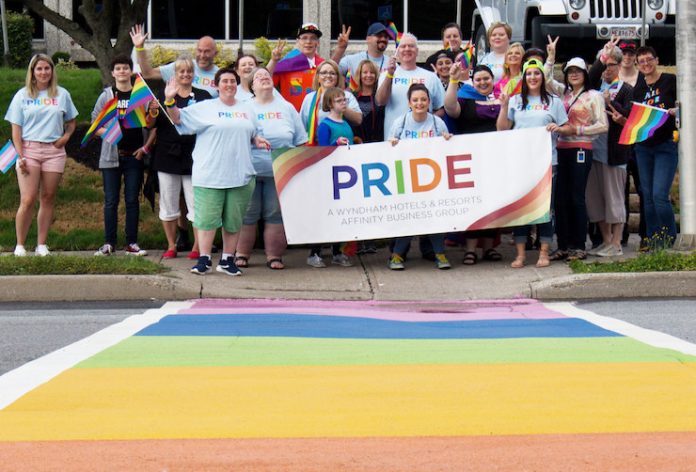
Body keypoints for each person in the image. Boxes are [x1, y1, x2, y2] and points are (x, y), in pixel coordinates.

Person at [163, 66, 271, 275]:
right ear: (216, 85)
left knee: (233, 221)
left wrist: (258, 140)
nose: (229, 85)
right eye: (224, 81)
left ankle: (227, 259)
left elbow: (252, 133)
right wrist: (170, 100)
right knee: (206, 220)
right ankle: (204, 259)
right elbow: (177, 119)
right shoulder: (205, 107)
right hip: (210, 174)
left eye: (232, 81)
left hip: (240, 175)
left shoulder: (248, 109)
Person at [497, 58, 573, 268]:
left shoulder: (554, 101)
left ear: (542, 76)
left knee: (544, 209)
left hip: (548, 162)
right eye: (528, 74)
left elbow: (568, 128)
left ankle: (544, 251)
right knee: (520, 209)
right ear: (523, 76)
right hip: (521, 163)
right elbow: (502, 128)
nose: (532, 77)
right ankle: (521, 254)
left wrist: (557, 128)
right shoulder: (515, 101)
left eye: (536, 73)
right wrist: (504, 107)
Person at [234, 67, 308, 270]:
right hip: (249, 171)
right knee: (248, 214)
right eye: (258, 77)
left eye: (266, 75)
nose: (263, 78)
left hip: (280, 171)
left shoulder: (287, 108)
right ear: (252, 87)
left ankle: (274, 256)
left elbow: (301, 141)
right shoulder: (243, 107)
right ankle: (241, 254)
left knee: (275, 214)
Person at [5, 54, 78, 257]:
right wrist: (20, 156)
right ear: (32, 72)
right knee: (27, 199)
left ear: (52, 71)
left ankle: (41, 244)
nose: (43, 72)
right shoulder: (22, 95)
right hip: (29, 150)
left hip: (54, 151)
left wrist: (66, 137)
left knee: (47, 197)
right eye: (39, 69)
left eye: (47, 68)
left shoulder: (62, 94)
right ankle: (20, 245)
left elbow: (71, 122)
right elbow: (16, 131)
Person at [546, 42, 609, 261]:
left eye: (577, 71)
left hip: (581, 147)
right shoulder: (562, 93)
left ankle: (578, 245)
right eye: (570, 72)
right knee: (560, 199)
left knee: (576, 197)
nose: (573, 75)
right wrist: (551, 56)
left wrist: (578, 129)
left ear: (585, 73)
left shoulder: (594, 96)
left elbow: (603, 125)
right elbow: (545, 79)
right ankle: (562, 244)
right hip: (560, 148)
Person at [148, 56, 212, 259]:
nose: (185, 75)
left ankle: (196, 247)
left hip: (195, 156)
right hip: (167, 155)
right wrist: (151, 112)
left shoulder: (203, 96)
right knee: (168, 202)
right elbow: (150, 125)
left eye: (189, 71)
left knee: (196, 204)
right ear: (174, 74)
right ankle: (171, 245)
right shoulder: (163, 94)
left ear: (194, 74)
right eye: (181, 71)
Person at [92, 54, 154, 257]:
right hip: (111, 157)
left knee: (132, 200)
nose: (122, 72)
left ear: (131, 71)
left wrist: (145, 147)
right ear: (112, 73)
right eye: (118, 68)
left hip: (134, 156)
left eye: (125, 68)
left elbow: (152, 125)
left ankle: (131, 243)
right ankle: (109, 243)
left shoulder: (141, 95)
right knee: (110, 201)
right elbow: (95, 125)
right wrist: (110, 135)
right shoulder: (107, 96)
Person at [387, 84, 452, 271]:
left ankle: (440, 253)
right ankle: (397, 255)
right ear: (409, 102)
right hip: (407, 180)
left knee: (435, 217)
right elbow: (389, 150)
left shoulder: (437, 123)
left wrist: (449, 141)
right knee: (408, 218)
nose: (419, 103)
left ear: (429, 102)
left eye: (423, 99)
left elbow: (447, 148)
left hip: (433, 179)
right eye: (415, 100)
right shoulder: (401, 122)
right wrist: (392, 143)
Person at [444, 63, 502, 264]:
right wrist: (453, 80)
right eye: (478, 79)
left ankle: (488, 247)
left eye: (486, 78)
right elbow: (450, 107)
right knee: (474, 204)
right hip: (471, 161)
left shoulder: (501, 100)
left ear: (492, 80)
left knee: (493, 203)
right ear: (472, 81)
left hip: (495, 159)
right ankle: (470, 250)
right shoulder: (465, 100)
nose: (483, 82)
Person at [586, 43, 634, 257]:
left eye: (611, 65)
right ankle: (605, 240)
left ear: (619, 65)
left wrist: (616, 111)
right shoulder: (593, 88)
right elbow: (592, 74)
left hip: (614, 153)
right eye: (604, 64)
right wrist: (602, 57)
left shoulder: (625, 89)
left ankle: (616, 242)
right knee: (595, 199)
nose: (607, 70)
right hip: (592, 150)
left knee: (614, 199)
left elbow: (629, 118)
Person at [631, 46, 679, 248]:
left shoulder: (670, 81)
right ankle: (653, 240)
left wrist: (677, 110)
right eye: (641, 61)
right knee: (647, 196)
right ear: (638, 65)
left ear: (656, 60)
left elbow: (685, 103)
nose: (646, 64)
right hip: (643, 147)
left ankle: (670, 240)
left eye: (649, 60)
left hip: (665, 145)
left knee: (660, 195)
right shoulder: (638, 89)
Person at [306, 86, 355, 268]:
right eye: (339, 100)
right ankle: (314, 252)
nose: (343, 103)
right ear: (330, 104)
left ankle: (337, 251)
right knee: (325, 215)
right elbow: (322, 150)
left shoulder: (345, 124)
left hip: (344, 175)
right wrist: (335, 143)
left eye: (344, 100)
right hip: (328, 176)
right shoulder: (325, 125)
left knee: (340, 214)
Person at [376, 33, 445, 140]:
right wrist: (390, 74)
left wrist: (427, 122)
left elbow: (441, 108)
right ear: (397, 51)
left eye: (411, 46)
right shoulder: (386, 74)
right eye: (403, 46)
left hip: (425, 140)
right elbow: (380, 101)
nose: (407, 49)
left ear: (417, 51)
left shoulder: (431, 77)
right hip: (395, 140)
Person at [131, 24, 219, 97]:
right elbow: (148, 74)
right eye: (199, 51)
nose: (202, 55)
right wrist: (139, 48)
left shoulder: (220, 76)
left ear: (215, 53)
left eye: (207, 52)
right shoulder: (184, 66)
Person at [299, 59, 362, 145]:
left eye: (332, 73)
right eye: (324, 73)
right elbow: (301, 127)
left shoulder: (346, 96)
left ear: (337, 77)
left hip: (343, 146)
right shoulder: (309, 98)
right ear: (318, 77)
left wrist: (342, 104)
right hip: (314, 149)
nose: (328, 76)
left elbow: (358, 120)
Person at [269, 23, 325, 111]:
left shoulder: (323, 65)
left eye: (313, 38)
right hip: (291, 115)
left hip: (315, 116)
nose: (308, 42)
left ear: (318, 43)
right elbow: (265, 80)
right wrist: (273, 61)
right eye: (304, 38)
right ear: (298, 41)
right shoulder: (285, 64)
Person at [351, 59, 384, 144]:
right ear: (360, 74)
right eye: (365, 72)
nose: (369, 75)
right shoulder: (352, 96)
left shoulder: (381, 95)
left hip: (378, 143)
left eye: (372, 72)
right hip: (356, 143)